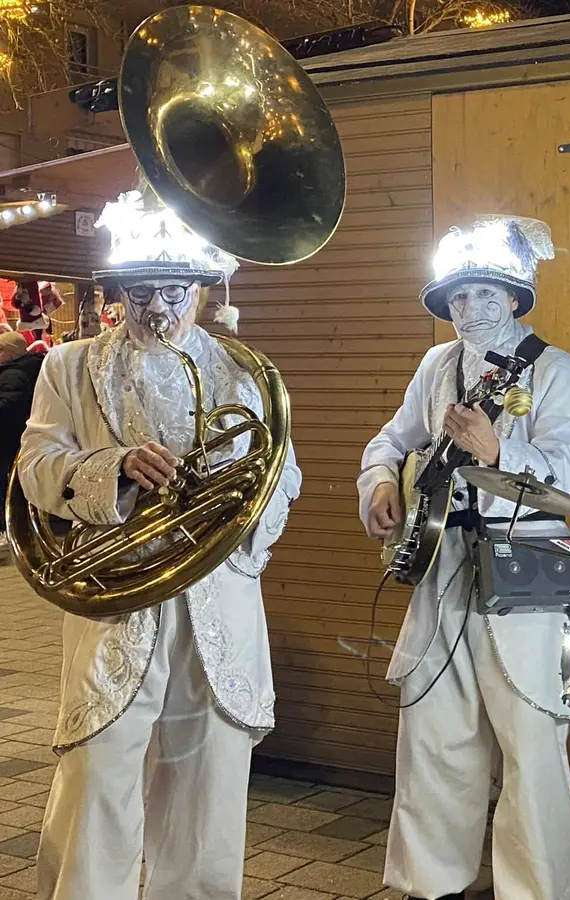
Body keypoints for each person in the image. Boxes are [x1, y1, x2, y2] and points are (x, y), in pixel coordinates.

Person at [20, 185, 302, 900]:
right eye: (141, 289)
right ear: (118, 290)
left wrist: (232, 500)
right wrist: (111, 468)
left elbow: (284, 474)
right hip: (116, 601)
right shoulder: (68, 366)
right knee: (98, 777)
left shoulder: (243, 370)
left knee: (207, 787)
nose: (158, 308)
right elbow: (34, 467)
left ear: (203, 291)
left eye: (174, 289)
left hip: (217, 599)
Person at [358, 216, 570, 900]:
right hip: (440, 565)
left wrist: (499, 451)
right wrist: (377, 484)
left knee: (531, 737)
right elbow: (389, 442)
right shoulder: (435, 365)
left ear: (514, 298)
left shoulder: (555, 368)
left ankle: (537, 888)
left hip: (522, 572)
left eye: (485, 295)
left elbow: (568, 469)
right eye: (457, 299)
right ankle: (431, 882)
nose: (469, 310)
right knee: (433, 730)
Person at [0, 330, 42, 551]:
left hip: (9, 438)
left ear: (9, 352)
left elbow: (8, 407)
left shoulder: (14, 374)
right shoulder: (22, 369)